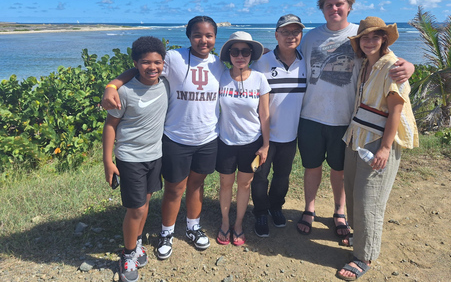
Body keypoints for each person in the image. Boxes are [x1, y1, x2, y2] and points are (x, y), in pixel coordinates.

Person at [297, 0, 415, 238]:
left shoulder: (361, 35)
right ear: (322, 9)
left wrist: (411, 67)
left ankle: (339, 211)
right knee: (311, 167)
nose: (334, 8)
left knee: (339, 170)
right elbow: (290, 60)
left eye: (340, 4)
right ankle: (310, 208)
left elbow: (388, 60)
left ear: (349, 6)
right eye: (329, 5)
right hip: (310, 116)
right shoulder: (311, 38)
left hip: (346, 119)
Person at [101, 16, 225, 259]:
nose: (203, 40)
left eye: (209, 35)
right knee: (174, 188)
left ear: (215, 38)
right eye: (197, 35)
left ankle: (193, 227)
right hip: (176, 137)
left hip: (208, 137)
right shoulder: (175, 58)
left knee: (197, 185)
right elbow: (144, 66)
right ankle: (166, 233)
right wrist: (112, 86)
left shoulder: (220, 64)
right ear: (189, 36)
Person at [335, 16, 419, 280]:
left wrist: (384, 148)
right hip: (357, 135)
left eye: (375, 36)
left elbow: (396, 109)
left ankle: (365, 255)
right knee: (352, 190)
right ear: (359, 43)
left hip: (378, 139)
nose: (369, 41)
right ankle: (360, 239)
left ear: (384, 39)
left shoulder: (392, 66)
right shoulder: (365, 65)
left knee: (369, 198)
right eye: (364, 38)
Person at [102, 36, 169, 282]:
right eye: (145, 63)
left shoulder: (165, 83)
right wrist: (108, 161)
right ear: (135, 63)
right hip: (130, 158)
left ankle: (137, 241)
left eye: (157, 62)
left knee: (146, 202)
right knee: (136, 208)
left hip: (155, 155)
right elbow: (110, 126)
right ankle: (127, 254)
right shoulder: (125, 91)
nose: (152, 67)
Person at [249, 14, 306, 237]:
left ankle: (276, 207)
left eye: (295, 32)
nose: (290, 36)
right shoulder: (262, 62)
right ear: (276, 35)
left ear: (301, 35)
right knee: (260, 177)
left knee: (283, 176)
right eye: (285, 32)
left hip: (291, 135)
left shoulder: (305, 61)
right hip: (265, 136)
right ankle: (261, 212)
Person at [215, 31, 270, 246]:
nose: (240, 56)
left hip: (252, 142)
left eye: (245, 51)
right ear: (229, 54)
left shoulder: (259, 79)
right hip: (226, 142)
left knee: (244, 185)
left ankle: (238, 224)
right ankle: (225, 223)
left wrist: (265, 145)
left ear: (251, 55)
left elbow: (264, 115)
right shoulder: (221, 76)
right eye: (235, 51)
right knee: (225, 184)